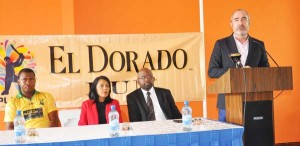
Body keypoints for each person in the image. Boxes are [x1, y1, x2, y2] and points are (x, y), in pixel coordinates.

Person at [208, 9, 270, 122]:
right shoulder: (221, 44)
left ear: (249, 23)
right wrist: (235, 72)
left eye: (243, 19)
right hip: (227, 101)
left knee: (253, 136)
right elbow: (212, 71)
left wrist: (252, 71)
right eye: (236, 20)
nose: (240, 23)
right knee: (228, 137)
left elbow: (266, 70)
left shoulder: (258, 44)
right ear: (231, 24)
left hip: (254, 100)